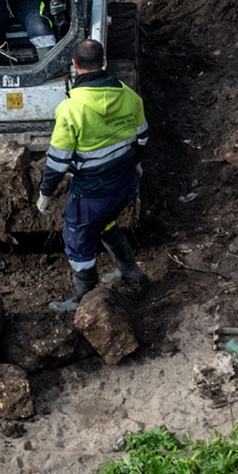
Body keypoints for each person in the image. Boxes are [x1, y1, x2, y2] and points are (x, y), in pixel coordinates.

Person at [35, 38, 148, 310]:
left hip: (92, 192)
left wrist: (45, 193)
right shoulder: (128, 95)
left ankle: (85, 298)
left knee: (76, 239)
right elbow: (142, 138)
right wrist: (135, 164)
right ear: (104, 62)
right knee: (106, 222)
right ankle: (129, 271)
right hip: (124, 184)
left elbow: (58, 161)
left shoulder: (71, 108)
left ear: (74, 66)